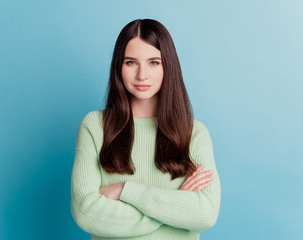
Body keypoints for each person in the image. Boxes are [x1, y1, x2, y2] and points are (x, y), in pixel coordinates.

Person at [70, 19, 221, 240]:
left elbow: (206, 213)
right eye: (131, 62)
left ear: (168, 65)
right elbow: (86, 213)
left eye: (154, 62)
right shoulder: (94, 127)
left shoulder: (194, 133)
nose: (142, 75)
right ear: (118, 67)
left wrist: (124, 190)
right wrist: (175, 206)